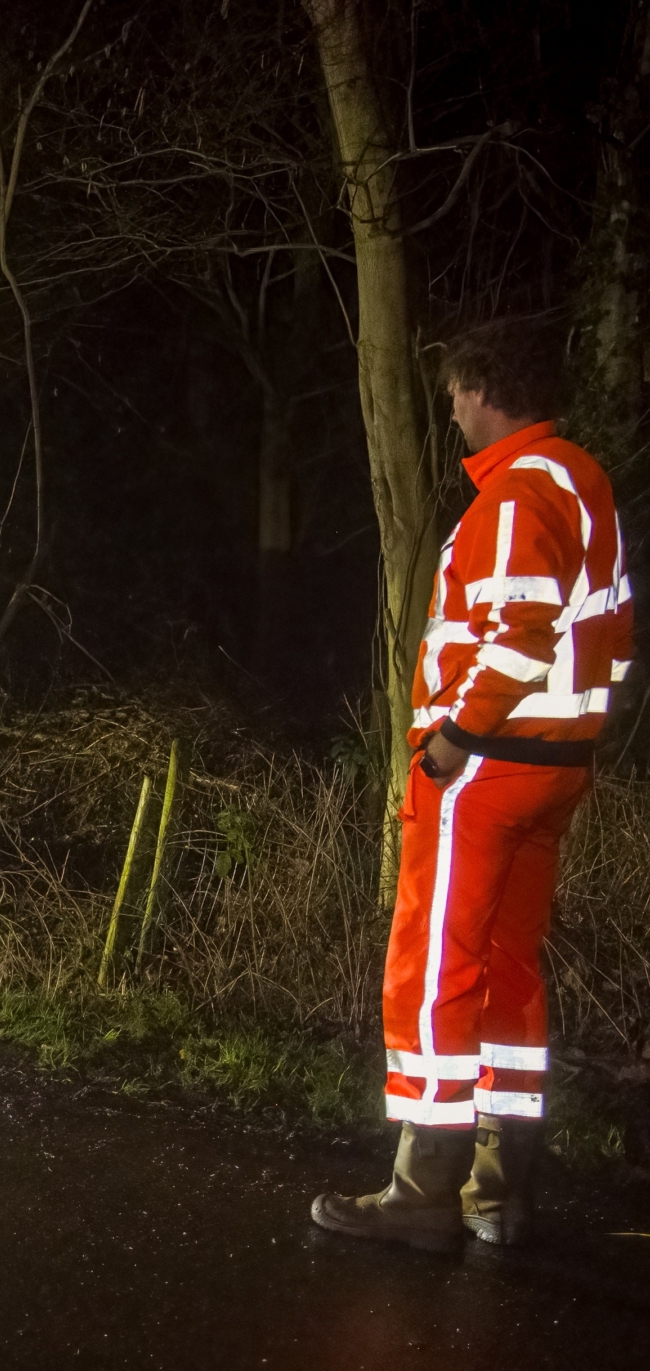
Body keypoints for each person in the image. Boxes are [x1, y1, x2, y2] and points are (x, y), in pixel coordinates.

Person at [311, 316, 634, 1250]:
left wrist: (454, 739)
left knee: (434, 969)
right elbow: (599, 636)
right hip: (556, 765)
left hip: (487, 769)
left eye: (456, 392)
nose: (451, 410)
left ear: (487, 389)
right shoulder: (582, 479)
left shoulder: (517, 494)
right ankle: (500, 1191)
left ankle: (422, 1191)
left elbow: (520, 634)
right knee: (510, 969)